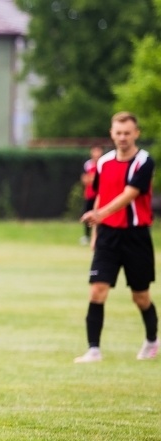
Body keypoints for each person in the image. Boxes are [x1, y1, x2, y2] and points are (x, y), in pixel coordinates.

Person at [75, 112, 157, 363]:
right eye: (118, 133)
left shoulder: (144, 162)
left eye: (127, 133)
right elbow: (100, 195)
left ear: (136, 134)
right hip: (108, 236)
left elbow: (129, 194)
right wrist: (96, 235)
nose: (122, 137)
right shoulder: (103, 163)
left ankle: (153, 341)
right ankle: (93, 350)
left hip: (136, 236)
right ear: (112, 133)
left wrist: (99, 214)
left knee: (140, 296)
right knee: (97, 291)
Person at [80, 144, 104, 245]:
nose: (96, 154)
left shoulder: (104, 163)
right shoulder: (88, 165)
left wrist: (93, 178)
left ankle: (100, 236)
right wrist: (93, 178)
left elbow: (103, 180)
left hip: (101, 195)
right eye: (95, 151)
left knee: (101, 216)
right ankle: (87, 236)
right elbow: (85, 179)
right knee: (88, 215)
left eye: (98, 151)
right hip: (90, 195)